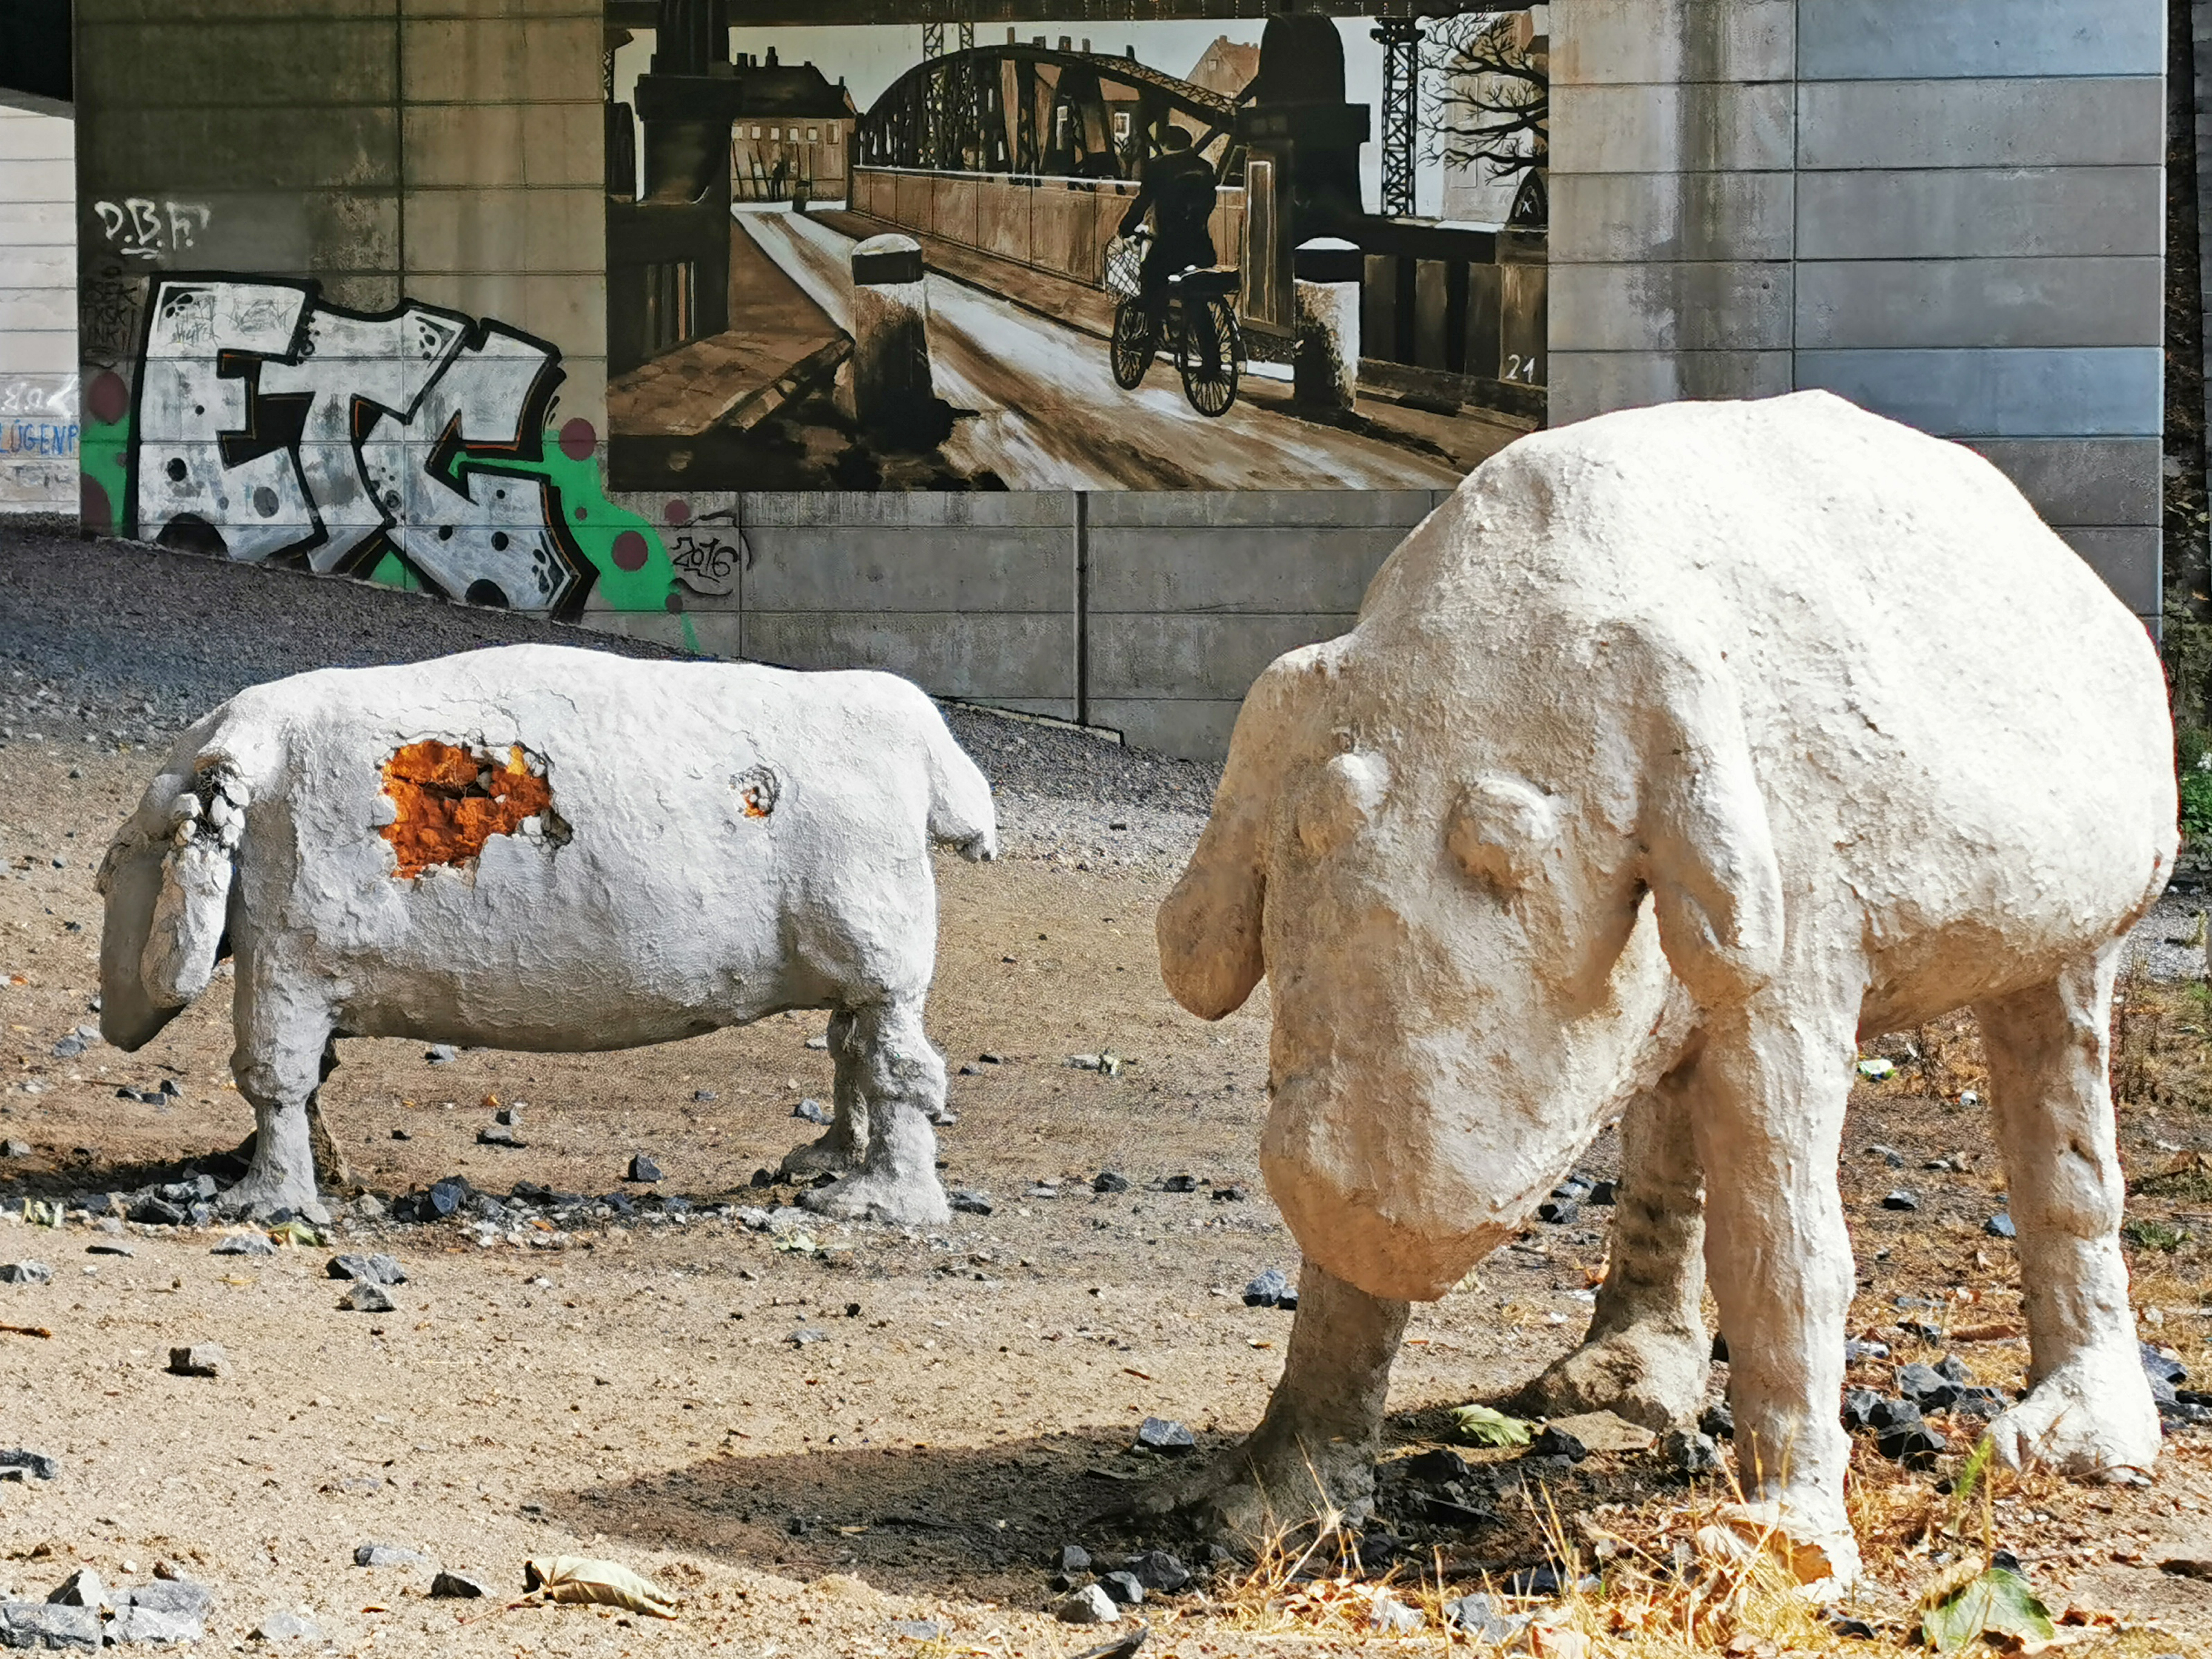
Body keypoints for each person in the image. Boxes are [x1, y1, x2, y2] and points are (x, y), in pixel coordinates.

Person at [1117, 127, 1217, 314]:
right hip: (1201, 247)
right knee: (1196, 295)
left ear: (1163, 145)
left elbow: (1144, 201)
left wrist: (1126, 227)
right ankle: (1200, 333)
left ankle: (1152, 334)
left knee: (1151, 276)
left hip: (1169, 245)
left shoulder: (1158, 167)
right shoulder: (1205, 167)